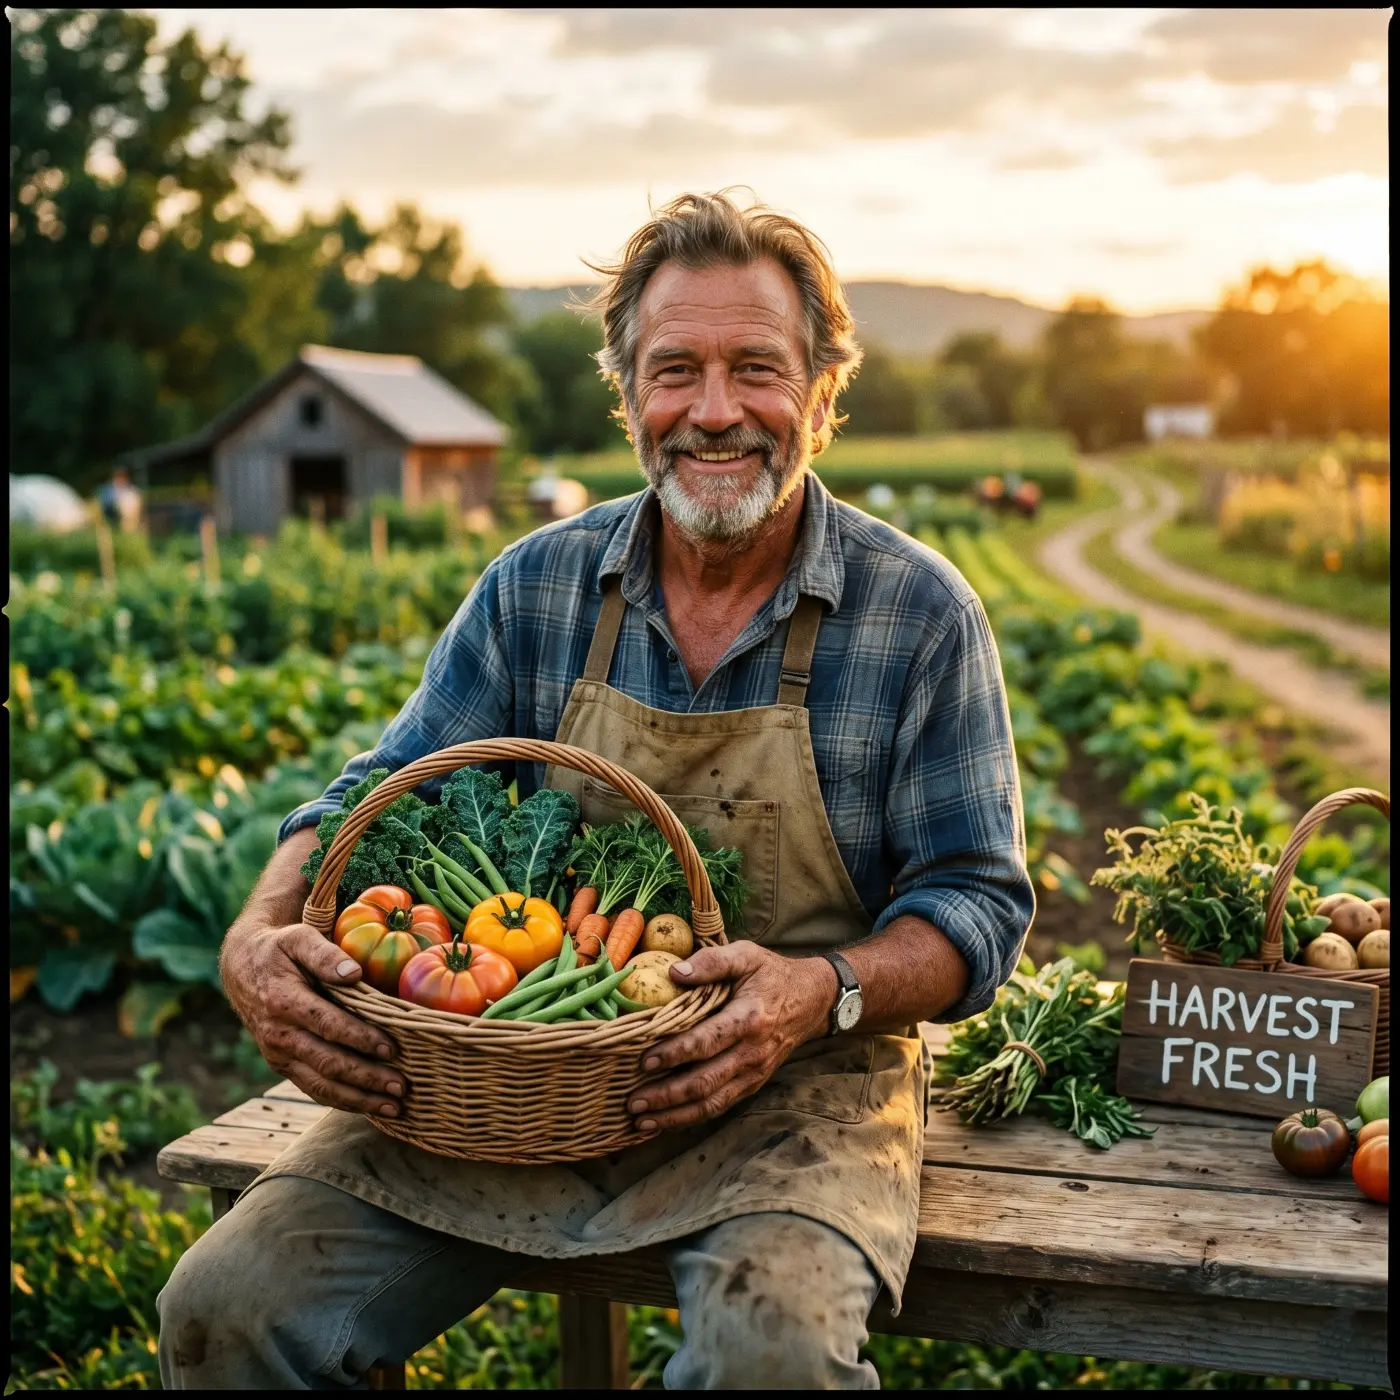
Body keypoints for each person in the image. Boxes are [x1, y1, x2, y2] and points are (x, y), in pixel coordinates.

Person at [158, 191, 1034, 1390]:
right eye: (673, 369)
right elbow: (378, 795)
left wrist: (811, 992)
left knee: (768, 1350)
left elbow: (975, 906)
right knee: (228, 1308)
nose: (713, 411)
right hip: (522, 1063)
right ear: (626, 394)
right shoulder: (536, 587)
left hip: (799, 1095)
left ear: (824, 395)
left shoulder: (918, 613)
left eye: (756, 370)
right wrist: (256, 933)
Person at [97, 467, 142, 533]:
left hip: (129, 517)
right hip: (112, 515)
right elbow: (104, 504)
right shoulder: (108, 489)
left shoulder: (132, 491)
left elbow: (137, 508)